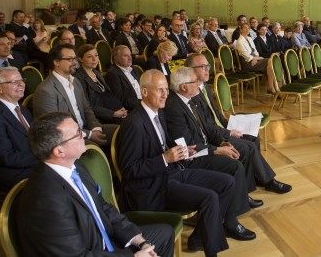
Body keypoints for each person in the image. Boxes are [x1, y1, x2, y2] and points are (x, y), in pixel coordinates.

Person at [116, 70, 248, 255]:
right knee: (209, 197)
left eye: (166, 89)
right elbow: (129, 170)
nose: (165, 95)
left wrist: (185, 150)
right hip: (152, 187)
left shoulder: (159, 113)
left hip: (171, 172)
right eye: (159, 90)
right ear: (144, 92)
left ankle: (199, 238)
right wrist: (165, 159)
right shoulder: (134, 123)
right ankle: (211, 251)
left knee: (227, 182)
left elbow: (164, 145)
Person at [18, 112, 173, 256]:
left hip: (104, 241)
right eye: (78, 133)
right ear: (59, 152)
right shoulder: (45, 200)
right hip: (91, 251)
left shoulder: (76, 166)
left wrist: (139, 241)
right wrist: (133, 256)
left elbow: (103, 207)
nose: (84, 134)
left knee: (164, 233)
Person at [185, 53, 291, 194]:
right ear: (190, 70)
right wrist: (228, 132)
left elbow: (216, 113)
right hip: (215, 136)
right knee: (249, 147)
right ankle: (267, 182)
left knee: (254, 138)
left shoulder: (205, 87)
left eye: (208, 66)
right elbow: (207, 127)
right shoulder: (191, 94)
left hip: (221, 127)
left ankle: (258, 175)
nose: (207, 70)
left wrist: (230, 122)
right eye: (202, 67)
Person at [164, 66, 262, 212]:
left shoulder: (190, 99)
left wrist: (221, 142)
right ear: (184, 87)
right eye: (195, 81)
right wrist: (217, 150)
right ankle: (235, 210)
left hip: (205, 146)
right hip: (193, 157)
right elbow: (189, 146)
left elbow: (206, 128)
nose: (199, 83)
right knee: (235, 166)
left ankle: (241, 198)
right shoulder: (173, 108)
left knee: (238, 153)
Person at [33, 44, 113, 146]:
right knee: (93, 146)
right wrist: (89, 135)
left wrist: (95, 128)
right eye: (70, 59)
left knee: (121, 130)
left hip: (86, 129)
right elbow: (55, 126)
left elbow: (87, 109)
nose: (75, 62)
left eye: (75, 58)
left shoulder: (75, 81)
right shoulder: (46, 90)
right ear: (56, 62)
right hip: (67, 138)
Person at [73, 44, 128, 124]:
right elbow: (88, 106)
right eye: (89, 57)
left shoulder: (96, 73)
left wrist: (121, 108)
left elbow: (108, 94)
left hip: (114, 110)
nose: (94, 59)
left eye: (96, 55)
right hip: (100, 117)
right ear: (80, 59)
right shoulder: (78, 78)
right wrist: (113, 114)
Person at [105, 45, 143, 112]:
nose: (130, 58)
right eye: (125, 56)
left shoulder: (134, 69)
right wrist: (143, 103)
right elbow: (121, 100)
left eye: (130, 55)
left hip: (144, 102)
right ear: (116, 58)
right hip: (133, 109)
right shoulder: (112, 74)